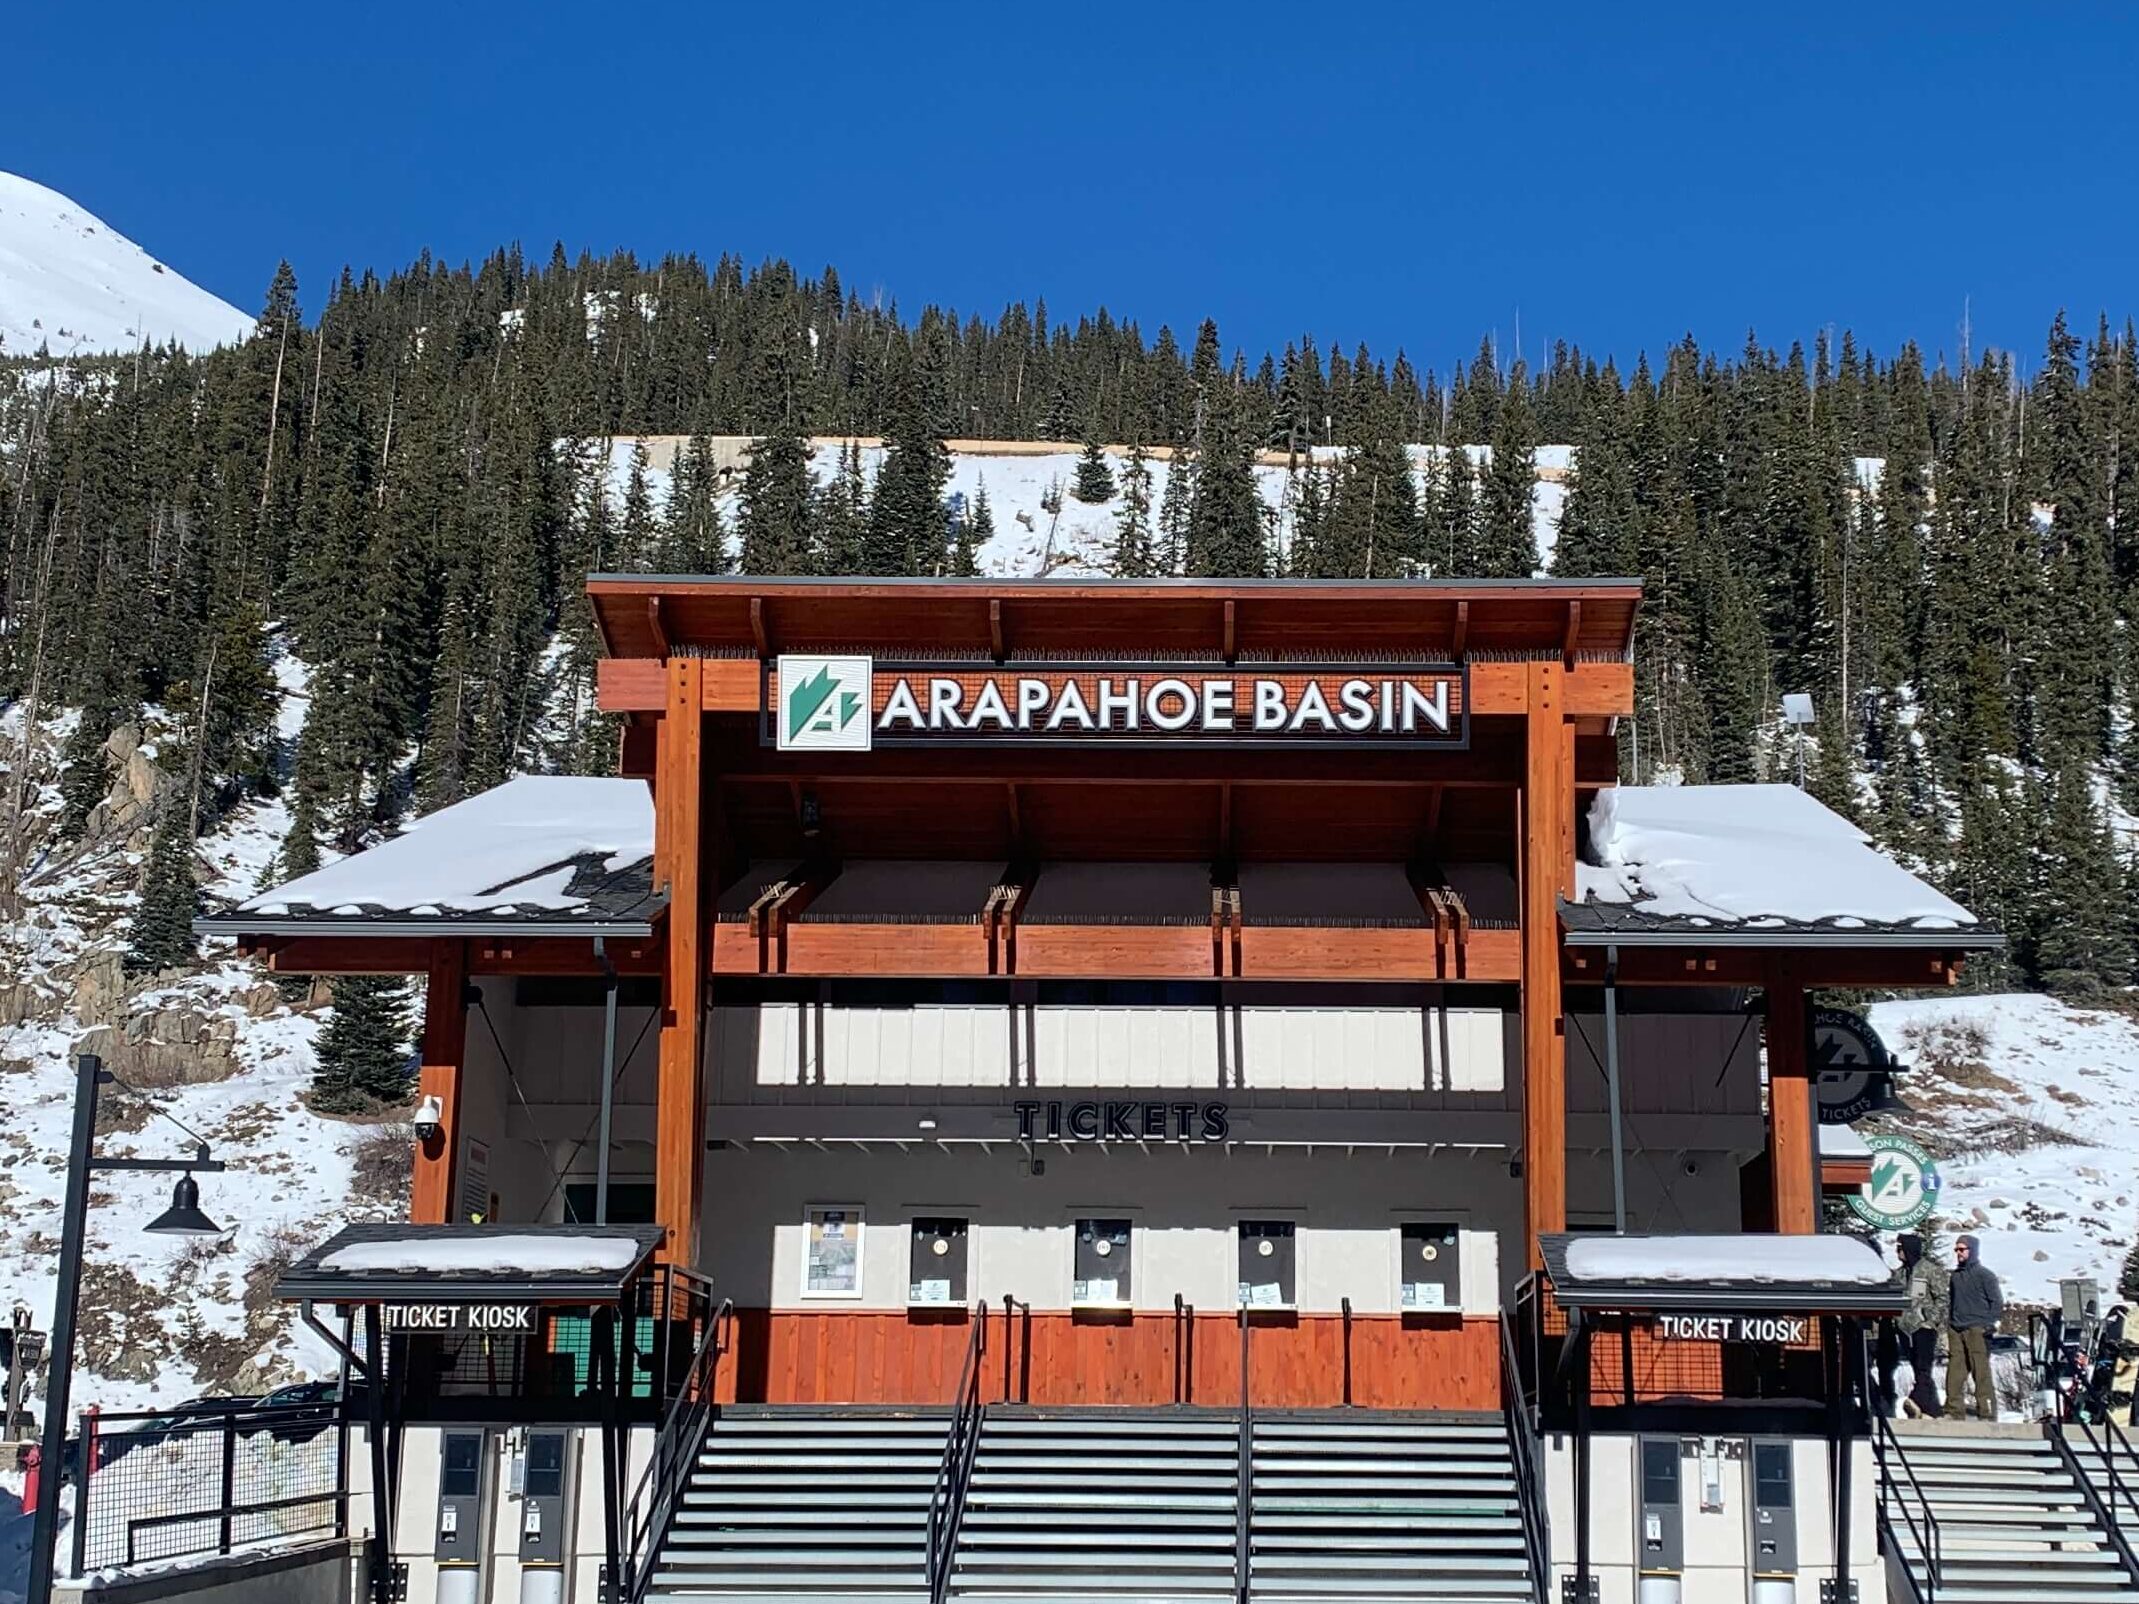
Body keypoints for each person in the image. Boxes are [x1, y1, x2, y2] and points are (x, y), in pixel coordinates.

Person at [1944, 1233, 2002, 1420]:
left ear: (1972, 1250)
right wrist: (1949, 1325)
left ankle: (1986, 1413)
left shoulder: (1985, 1275)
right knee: (1954, 1374)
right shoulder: (1955, 1276)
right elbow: (1951, 1301)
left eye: (1962, 1249)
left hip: (1977, 1329)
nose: (1958, 1253)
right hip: (1956, 1329)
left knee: (1981, 1373)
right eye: (1956, 1250)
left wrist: (1988, 1325)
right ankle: (1954, 1411)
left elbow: (1997, 1302)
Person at [1897, 1233, 1947, 1417]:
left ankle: (1918, 1400)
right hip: (1905, 1328)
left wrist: (1931, 1319)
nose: (1898, 1252)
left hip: (1924, 1328)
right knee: (1917, 1368)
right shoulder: (1900, 1273)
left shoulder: (1929, 1270)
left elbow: (1942, 1297)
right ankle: (1930, 1408)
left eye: (1900, 1248)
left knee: (1924, 1366)